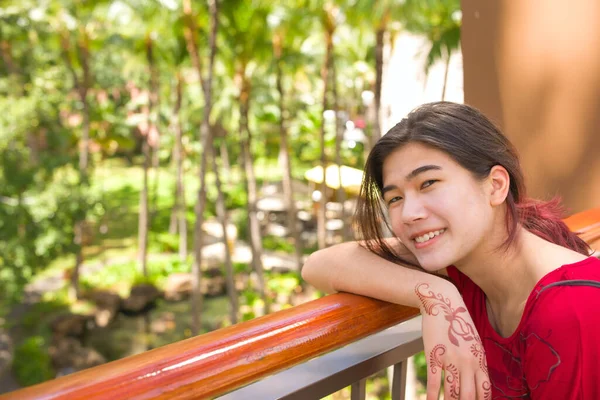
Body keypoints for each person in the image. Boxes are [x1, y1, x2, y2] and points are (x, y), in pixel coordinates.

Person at [302, 102, 600, 400]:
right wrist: (434, 295)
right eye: (394, 198)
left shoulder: (571, 306)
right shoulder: (468, 265)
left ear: (496, 185)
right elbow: (319, 264)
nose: (409, 214)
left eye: (428, 183)